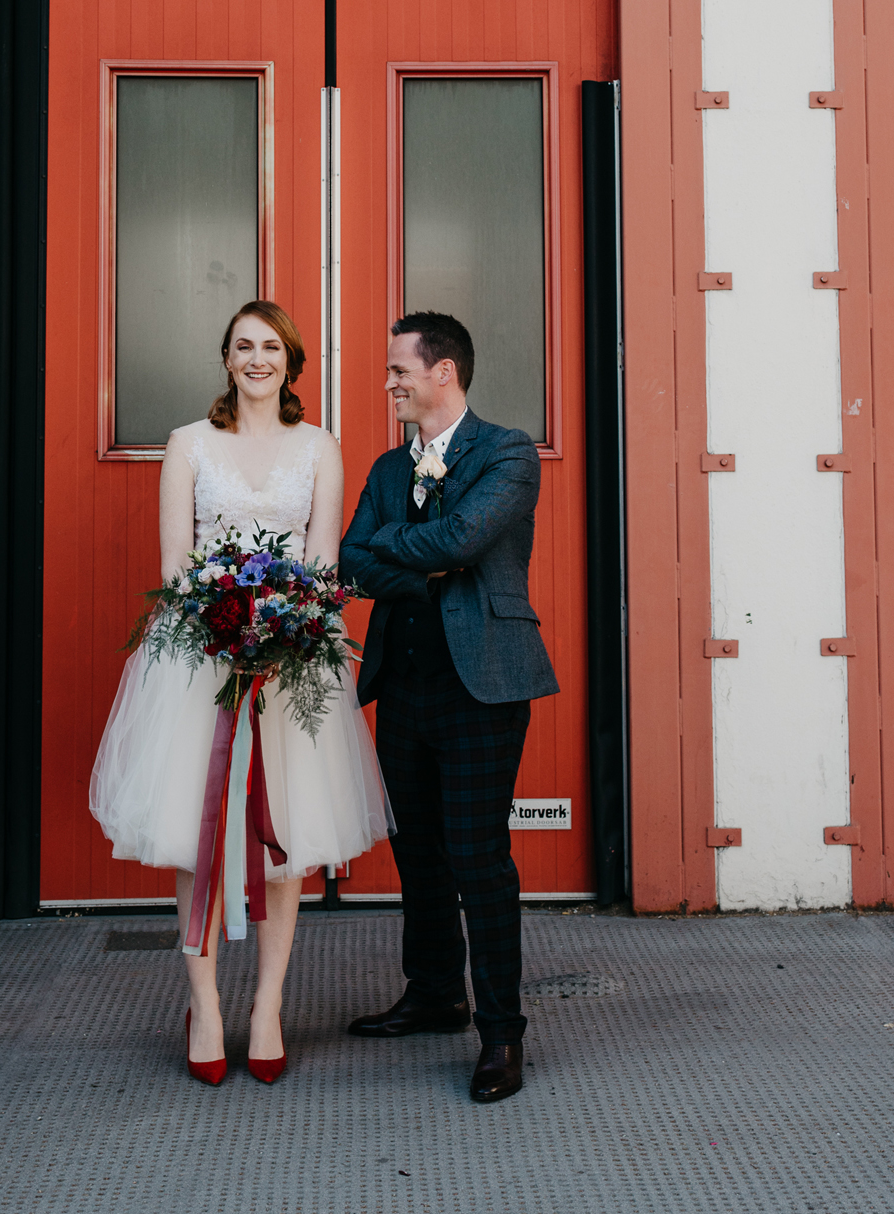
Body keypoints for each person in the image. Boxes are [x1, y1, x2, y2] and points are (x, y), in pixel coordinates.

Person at [90, 300, 391, 1086]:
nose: (257, 358)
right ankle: (206, 1006)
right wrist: (225, 625)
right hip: (200, 658)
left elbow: (323, 565)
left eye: (271, 347)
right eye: (243, 346)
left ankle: (266, 1006)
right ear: (226, 359)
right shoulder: (189, 444)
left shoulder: (320, 447)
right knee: (194, 832)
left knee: (283, 835)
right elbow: (173, 565)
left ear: (291, 363)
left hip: (293, 665)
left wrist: (286, 630)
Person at [339, 311, 559, 1105]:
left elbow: (464, 540)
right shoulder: (387, 468)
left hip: (483, 687)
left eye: (400, 369)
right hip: (401, 686)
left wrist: (410, 554)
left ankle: (501, 1032)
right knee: (418, 854)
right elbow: (350, 562)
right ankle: (434, 993)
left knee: (478, 860)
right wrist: (418, 566)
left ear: (444, 372)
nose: (390, 382)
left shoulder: (506, 452)